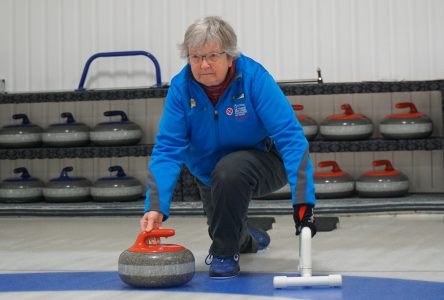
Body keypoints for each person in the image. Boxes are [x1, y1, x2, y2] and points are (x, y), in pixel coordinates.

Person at [140, 16, 316, 279]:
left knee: (229, 181)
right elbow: (167, 149)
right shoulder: (181, 89)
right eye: (196, 57)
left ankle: (223, 254)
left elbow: (290, 137)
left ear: (230, 56)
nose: (204, 64)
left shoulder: (254, 78)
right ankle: (247, 239)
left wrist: (303, 201)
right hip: (208, 173)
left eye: (212, 55)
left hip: (264, 162)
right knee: (224, 227)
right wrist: (155, 206)